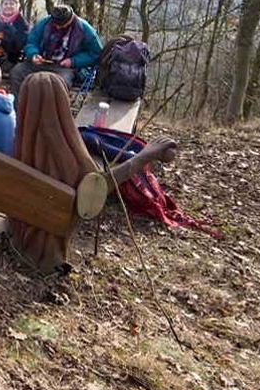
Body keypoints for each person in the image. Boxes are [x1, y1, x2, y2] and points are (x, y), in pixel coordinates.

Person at [10, 72, 177, 273]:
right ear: (63, 105)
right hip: (48, 258)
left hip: (17, 241)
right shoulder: (73, 163)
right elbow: (97, 189)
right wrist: (146, 154)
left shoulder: (20, 149)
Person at [9, 4, 102, 95]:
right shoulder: (44, 23)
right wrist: (33, 54)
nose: (58, 27)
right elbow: (31, 42)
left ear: (70, 20)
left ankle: (50, 109)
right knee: (17, 72)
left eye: (62, 25)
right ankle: (19, 108)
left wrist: (73, 61)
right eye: (55, 24)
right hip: (41, 62)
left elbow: (96, 54)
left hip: (64, 68)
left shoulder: (84, 29)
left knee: (60, 84)